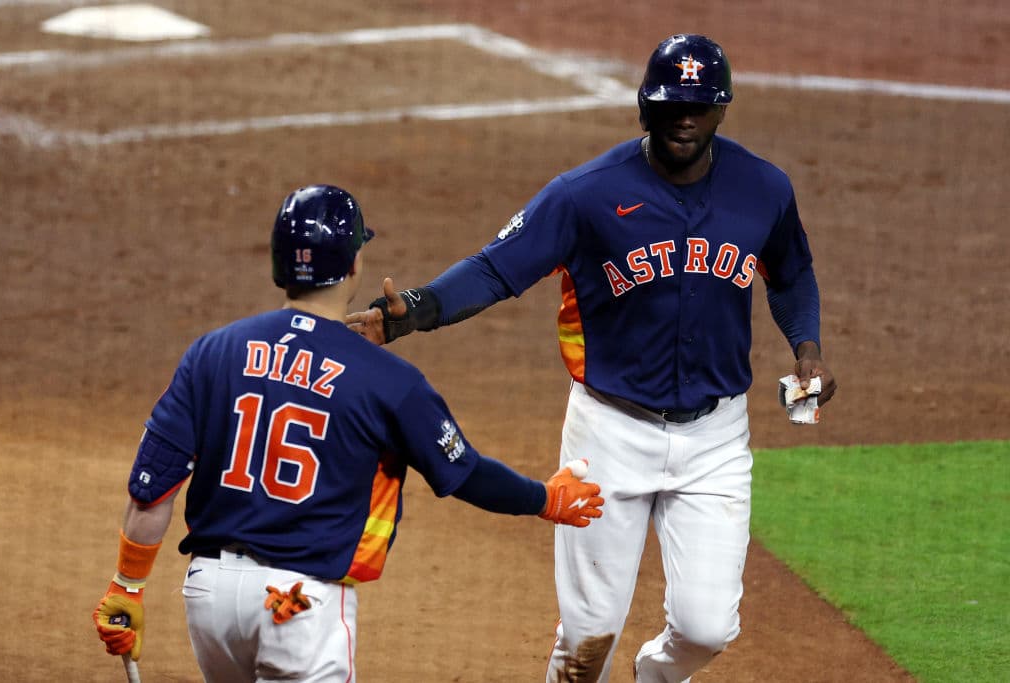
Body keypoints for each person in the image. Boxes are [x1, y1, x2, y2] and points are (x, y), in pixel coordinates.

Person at [345, 34, 838, 683]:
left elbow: (793, 274)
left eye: (700, 104)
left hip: (717, 437)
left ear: (722, 108)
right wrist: (416, 310)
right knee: (587, 637)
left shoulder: (763, 189)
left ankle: (653, 675)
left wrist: (808, 350)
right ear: (644, 107)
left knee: (707, 626)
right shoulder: (586, 194)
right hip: (609, 433)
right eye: (670, 104)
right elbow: (497, 269)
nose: (684, 118)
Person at [91, 184, 605, 682]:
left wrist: (127, 585)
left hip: (209, 598)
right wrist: (544, 499)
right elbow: (463, 471)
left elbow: (154, 481)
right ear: (355, 264)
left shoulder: (213, 352)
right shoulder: (389, 381)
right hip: (298, 607)